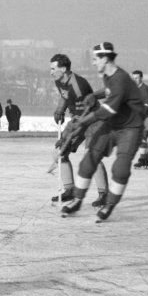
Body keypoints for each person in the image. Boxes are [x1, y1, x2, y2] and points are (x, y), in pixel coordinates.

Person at [61, 42, 145, 222]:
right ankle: (77, 200)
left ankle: (110, 203)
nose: (93, 63)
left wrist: (83, 121)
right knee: (89, 159)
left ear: (105, 59)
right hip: (113, 125)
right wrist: (95, 96)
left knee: (120, 167)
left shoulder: (121, 78)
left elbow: (107, 110)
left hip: (130, 128)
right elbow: (108, 90)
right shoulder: (108, 75)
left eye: (95, 59)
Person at [50, 53, 109, 206]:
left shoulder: (78, 86)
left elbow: (83, 116)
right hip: (78, 118)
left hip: (93, 119)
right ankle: (70, 190)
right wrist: (60, 110)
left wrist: (67, 136)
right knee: (60, 153)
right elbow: (64, 95)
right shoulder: (59, 80)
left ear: (63, 69)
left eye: (53, 69)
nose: (51, 72)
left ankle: (104, 194)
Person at [131, 70, 148, 169]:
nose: (135, 80)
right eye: (133, 78)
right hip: (142, 116)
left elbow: (145, 107)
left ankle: (142, 161)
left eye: (137, 78)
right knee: (142, 139)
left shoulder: (145, 89)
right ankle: (145, 161)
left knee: (142, 138)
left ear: (141, 78)